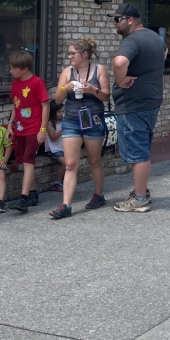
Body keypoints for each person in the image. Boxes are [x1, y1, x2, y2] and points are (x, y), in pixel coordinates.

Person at [109, 3, 167, 213]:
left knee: (138, 152)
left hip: (133, 104)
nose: (115, 23)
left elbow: (119, 62)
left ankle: (140, 198)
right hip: (151, 101)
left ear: (130, 20)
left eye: (118, 19)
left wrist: (121, 80)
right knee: (142, 147)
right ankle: (140, 191)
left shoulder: (132, 39)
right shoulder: (154, 37)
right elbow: (165, 52)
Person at [49, 37, 111, 220]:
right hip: (71, 120)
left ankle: (98, 195)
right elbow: (57, 100)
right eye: (69, 53)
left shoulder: (99, 70)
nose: (69, 57)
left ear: (84, 54)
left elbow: (106, 96)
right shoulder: (67, 72)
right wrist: (65, 88)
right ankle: (66, 205)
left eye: (72, 53)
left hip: (93, 119)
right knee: (70, 164)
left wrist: (92, 90)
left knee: (94, 160)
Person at [7, 50, 50, 213]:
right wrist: (10, 124)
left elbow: (45, 106)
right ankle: (32, 193)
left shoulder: (37, 82)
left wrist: (43, 129)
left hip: (33, 128)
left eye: (14, 68)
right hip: (20, 128)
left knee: (28, 161)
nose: (11, 71)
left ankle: (23, 198)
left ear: (25, 69)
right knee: (24, 161)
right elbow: (15, 105)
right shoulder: (15, 84)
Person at [45, 100, 65, 190]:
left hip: (62, 147)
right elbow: (53, 137)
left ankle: (65, 182)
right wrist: (63, 129)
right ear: (53, 112)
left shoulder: (62, 121)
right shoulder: (50, 123)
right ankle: (56, 183)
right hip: (53, 149)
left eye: (63, 111)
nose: (62, 114)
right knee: (65, 164)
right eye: (59, 112)